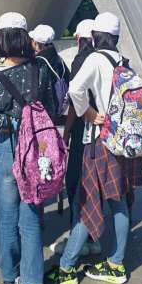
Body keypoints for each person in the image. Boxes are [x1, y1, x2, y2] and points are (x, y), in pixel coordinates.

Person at [43, 12, 142, 284]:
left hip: (99, 141)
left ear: (94, 36)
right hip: (123, 142)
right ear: (116, 37)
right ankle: (116, 263)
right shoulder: (123, 61)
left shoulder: (94, 59)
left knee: (85, 202)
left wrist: (89, 114)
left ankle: (66, 268)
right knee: (118, 201)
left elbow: (75, 90)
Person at [0, 12, 56, 284]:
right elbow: (52, 107)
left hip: (9, 149)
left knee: (7, 219)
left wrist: (15, 120)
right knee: (31, 217)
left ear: (0, 39)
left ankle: (9, 281)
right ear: (25, 38)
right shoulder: (41, 69)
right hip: (37, 150)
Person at [50, 19, 101, 256]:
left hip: (84, 128)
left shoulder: (82, 60)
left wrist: (67, 131)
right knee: (94, 185)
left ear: (79, 39)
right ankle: (93, 237)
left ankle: (78, 241)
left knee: (76, 183)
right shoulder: (110, 58)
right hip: (103, 130)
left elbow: (75, 101)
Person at [29, 24, 70, 114]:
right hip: (58, 107)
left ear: (36, 43)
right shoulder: (59, 58)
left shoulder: (39, 61)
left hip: (44, 110)